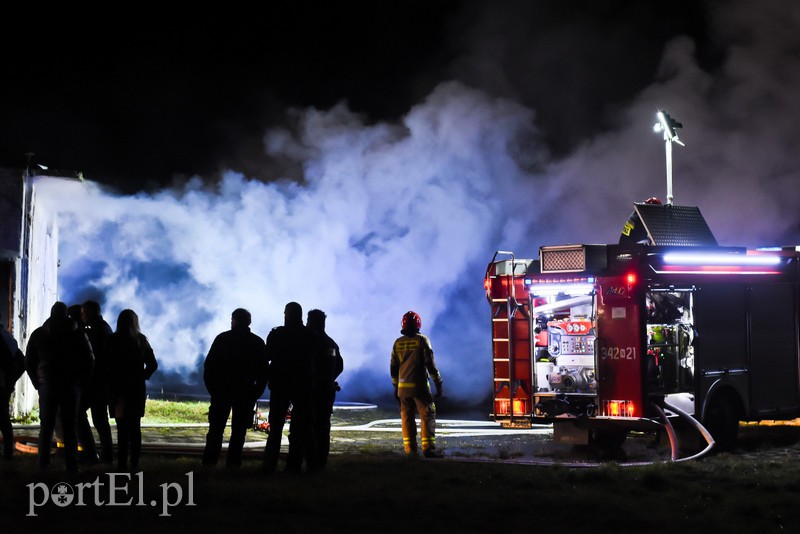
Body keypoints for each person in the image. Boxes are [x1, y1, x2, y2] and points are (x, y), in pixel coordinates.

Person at [25, 302, 94, 472]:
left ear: (51, 314)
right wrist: (82, 382)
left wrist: (38, 382)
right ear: (67, 315)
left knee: (46, 426)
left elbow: (29, 361)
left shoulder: (39, 334)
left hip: (47, 385)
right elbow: (89, 359)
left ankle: (43, 463)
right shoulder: (78, 333)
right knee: (70, 426)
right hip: (71, 386)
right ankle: (72, 465)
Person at [202, 308, 269, 467]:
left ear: (234, 320)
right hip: (245, 392)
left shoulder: (223, 339)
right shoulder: (257, 342)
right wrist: (255, 393)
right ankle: (233, 463)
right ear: (249, 322)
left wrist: (213, 389)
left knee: (216, 430)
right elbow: (264, 372)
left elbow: (209, 367)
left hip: (222, 391)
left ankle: (210, 462)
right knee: (239, 431)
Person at [263, 302, 320, 474]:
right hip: (302, 384)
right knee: (302, 428)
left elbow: (267, 355)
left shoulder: (277, 334)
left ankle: (269, 465)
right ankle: (297, 466)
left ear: (286, 314)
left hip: (281, 384)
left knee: (276, 428)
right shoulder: (310, 335)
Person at [106, 309, 158, 471]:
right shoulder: (141, 340)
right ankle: (134, 462)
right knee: (135, 426)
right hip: (135, 389)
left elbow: (104, 363)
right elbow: (153, 364)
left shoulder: (112, 340)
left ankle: (122, 463)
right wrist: (141, 375)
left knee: (122, 427)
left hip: (117, 388)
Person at [390, 310, 443, 458]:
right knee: (428, 414)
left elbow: (393, 367)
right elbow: (430, 364)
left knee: (406, 418)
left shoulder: (397, 343)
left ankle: (410, 451)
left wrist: (395, 387)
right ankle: (428, 449)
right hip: (420, 388)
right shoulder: (422, 340)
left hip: (403, 390)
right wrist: (438, 382)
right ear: (418, 324)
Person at [306, 309, 343, 468]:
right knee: (323, 426)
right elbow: (339, 366)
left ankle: (310, 462)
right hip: (327, 390)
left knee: (307, 426)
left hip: (309, 390)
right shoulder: (331, 344)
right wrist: (329, 379)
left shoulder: (307, 342)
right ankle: (321, 461)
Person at [78, 300, 114, 464]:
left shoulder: (94, 330)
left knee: (82, 414)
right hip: (101, 381)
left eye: (84, 312)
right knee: (100, 420)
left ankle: (92, 452)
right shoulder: (103, 327)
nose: (82, 316)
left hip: (96, 381)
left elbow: (92, 356)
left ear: (90, 312)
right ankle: (105, 455)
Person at [1, 315, 25, 460]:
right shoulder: (8, 338)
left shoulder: (4, 339)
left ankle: (8, 453)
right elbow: (21, 363)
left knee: (3, 419)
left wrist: (9, 382)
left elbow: (19, 363)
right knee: (3, 419)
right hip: (4, 385)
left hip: (1, 386)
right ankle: (8, 452)